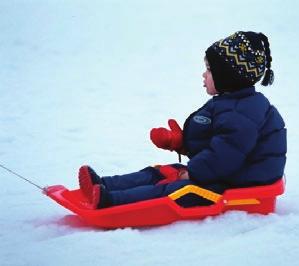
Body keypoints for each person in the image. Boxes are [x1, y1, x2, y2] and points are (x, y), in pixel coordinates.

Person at [78, 31, 287, 209]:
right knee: (161, 172)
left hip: (238, 184)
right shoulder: (231, 103)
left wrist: (192, 173)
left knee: (176, 190)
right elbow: (217, 143)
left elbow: (224, 156)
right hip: (224, 173)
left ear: (229, 76)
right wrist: (180, 142)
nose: (203, 75)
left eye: (210, 70)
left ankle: (111, 201)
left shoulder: (243, 111)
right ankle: (105, 185)